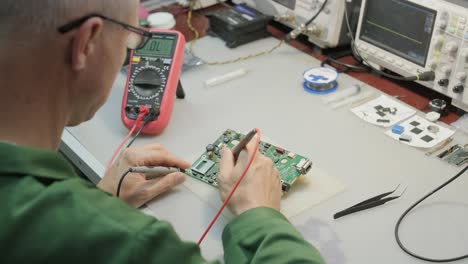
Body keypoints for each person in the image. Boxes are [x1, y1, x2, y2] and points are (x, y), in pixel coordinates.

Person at [0, 0, 325, 263]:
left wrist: (99, 198)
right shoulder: (131, 244)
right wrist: (260, 217)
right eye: (131, 37)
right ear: (86, 42)